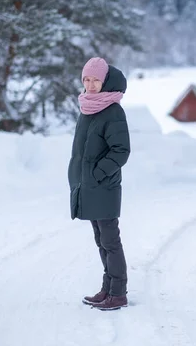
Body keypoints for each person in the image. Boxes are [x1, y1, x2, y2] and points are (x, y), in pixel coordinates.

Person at [67, 57, 131, 311]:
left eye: (96, 80)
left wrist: (97, 174)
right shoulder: (87, 107)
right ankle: (108, 289)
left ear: (104, 82)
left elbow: (121, 150)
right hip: (89, 187)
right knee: (100, 240)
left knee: (110, 241)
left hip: (103, 186)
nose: (91, 85)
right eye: (87, 80)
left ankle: (118, 293)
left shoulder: (112, 110)